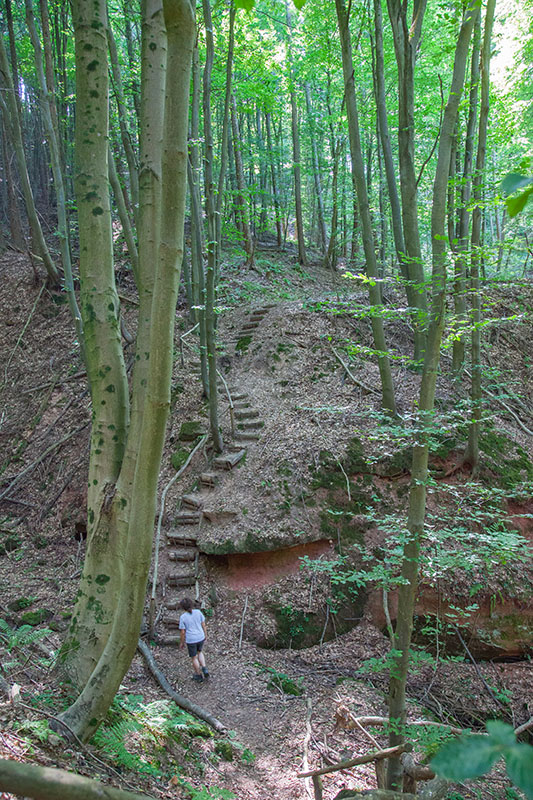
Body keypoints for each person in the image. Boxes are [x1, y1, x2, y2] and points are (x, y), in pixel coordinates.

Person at [179, 597, 209, 682]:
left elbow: (182, 632)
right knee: (200, 652)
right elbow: (203, 625)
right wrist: (205, 635)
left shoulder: (183, 617)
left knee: (194, 657)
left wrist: (182, 642)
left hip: (191, 639)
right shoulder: (198, 612)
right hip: (200, 636)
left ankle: (198, 675)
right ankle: (204, 668)